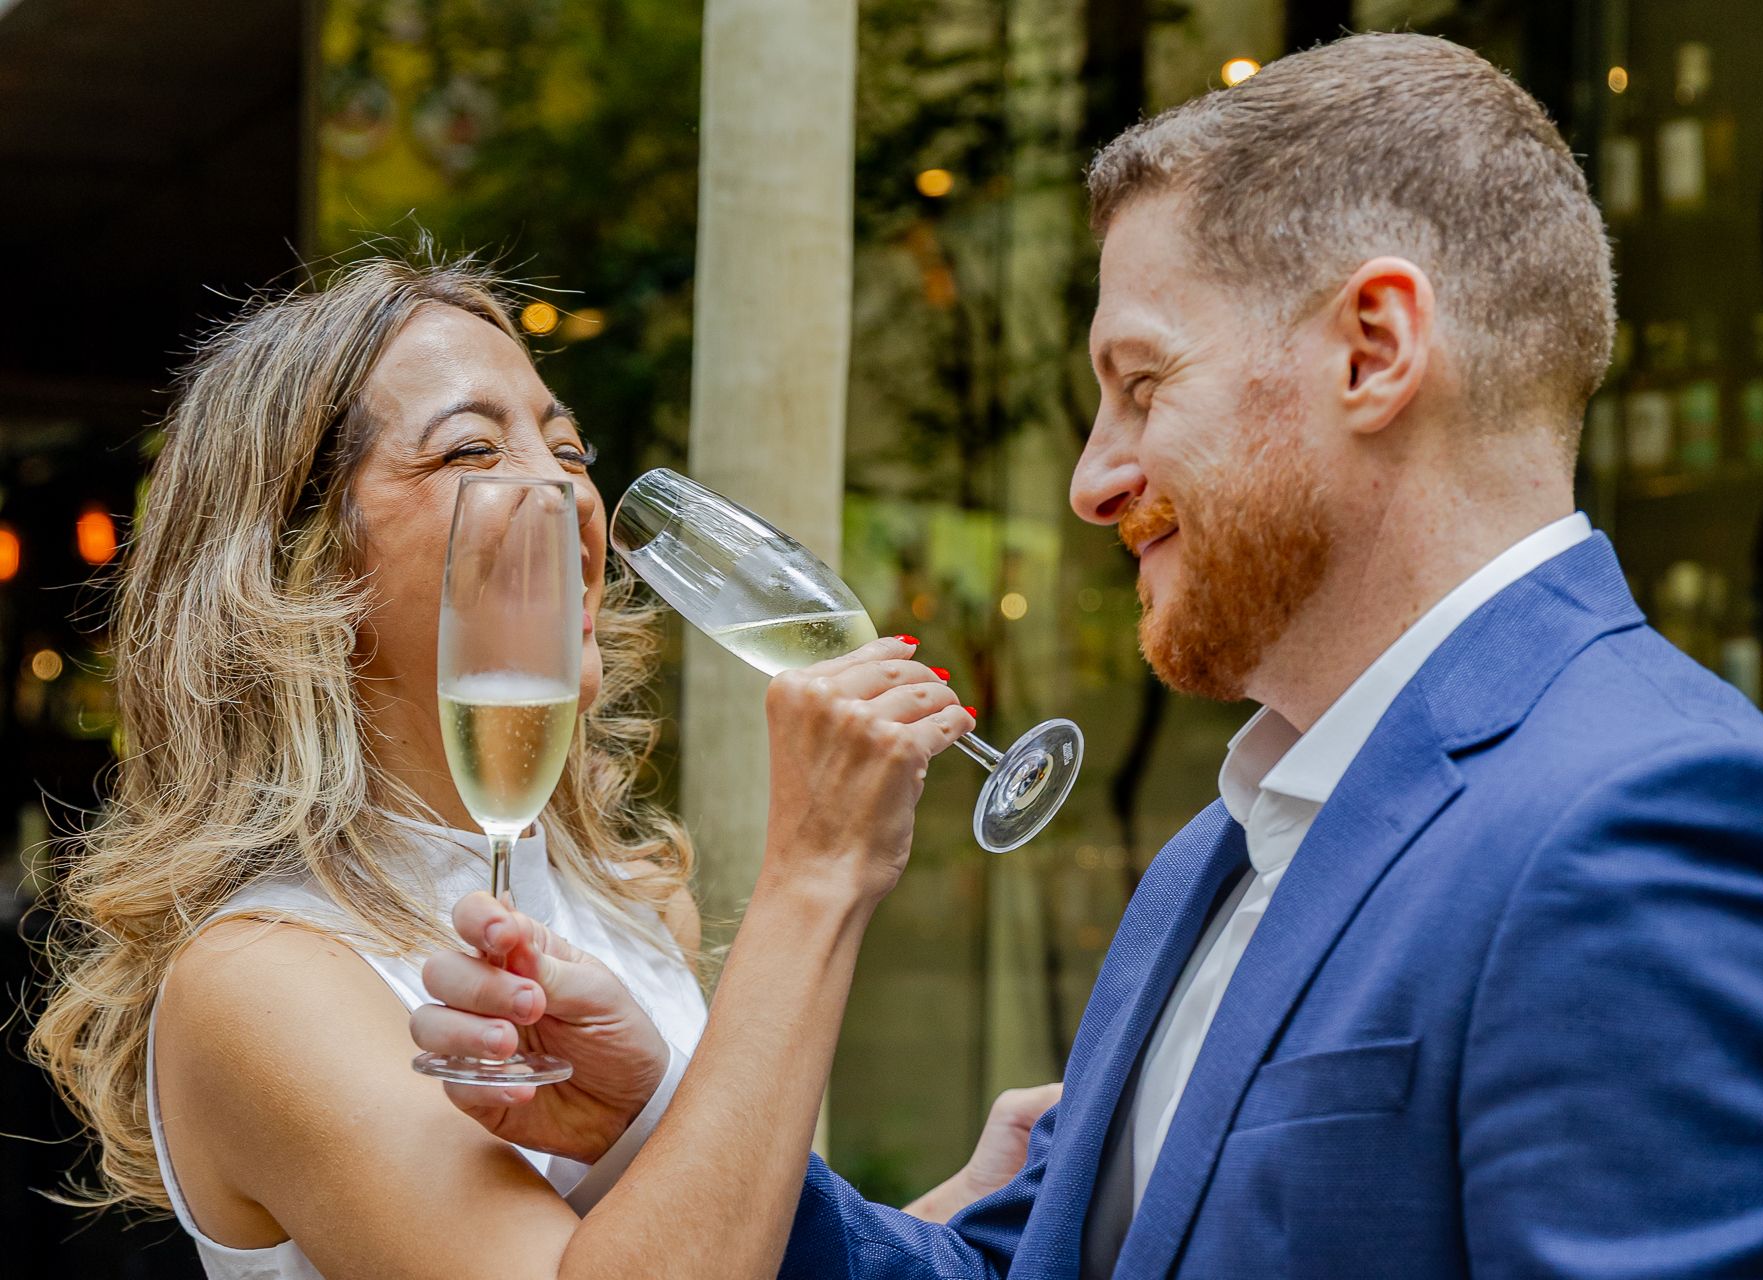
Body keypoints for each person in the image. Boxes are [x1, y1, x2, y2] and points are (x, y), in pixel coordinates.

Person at [410, 32, 1763, 1278]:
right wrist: (656, 1115)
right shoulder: (1213, 854)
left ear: (1373, 351)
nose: (1089, 479)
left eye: (1140, 385)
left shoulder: (1661, 829)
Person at [29, 252, 1055, 1279]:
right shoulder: (262, 976)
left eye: (568, 448)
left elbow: (710, 1243)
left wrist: (964, 1213)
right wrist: (815, 874)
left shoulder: (636, 905)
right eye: (472, 449)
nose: (561, 491)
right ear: (302, 564)